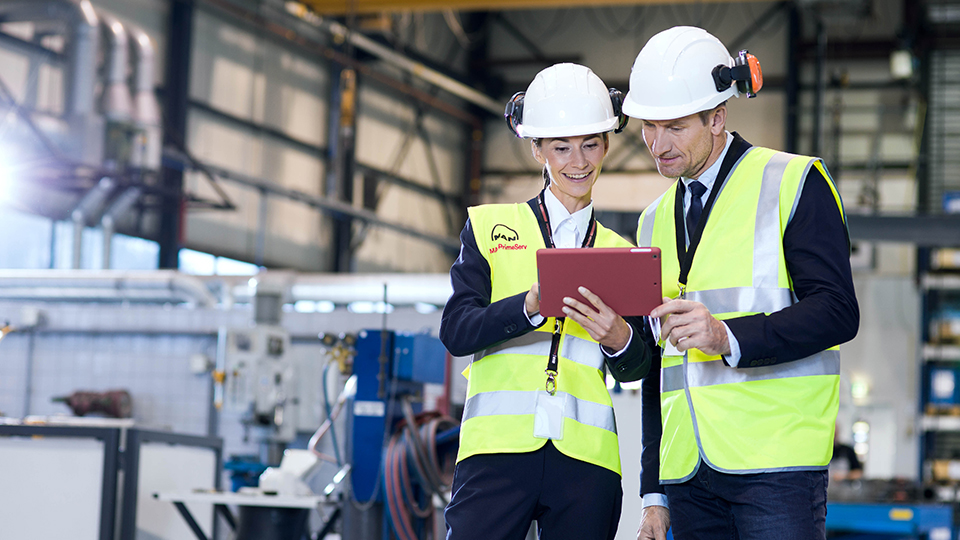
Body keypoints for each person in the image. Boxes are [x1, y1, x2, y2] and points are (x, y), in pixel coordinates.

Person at [621, 27, 861, 540]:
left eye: (675, 127)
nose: (656, 144)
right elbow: (660, 370)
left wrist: (726, 336)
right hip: (686, 474)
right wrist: (654, 492)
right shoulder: (652, 221)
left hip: (776, 468)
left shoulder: (794, 183)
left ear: (717, 117)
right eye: (648, 127)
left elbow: (838, 310)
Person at [440, 63, 651, 540]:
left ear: (608, 144)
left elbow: (638, 368)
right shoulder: (490, 228)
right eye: (561, 147)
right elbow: (455, 331)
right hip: (495, 453)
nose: (578, 161)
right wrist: (529, 306)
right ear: (536, 148)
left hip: (586, 461)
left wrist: (620, 340)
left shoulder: (622, 251)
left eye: (591, 144)